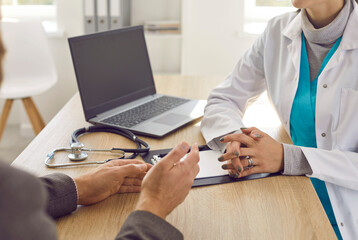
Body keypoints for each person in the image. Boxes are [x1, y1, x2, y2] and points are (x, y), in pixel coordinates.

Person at [0, 21, 200, 240]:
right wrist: (153, 206)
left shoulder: (15, 194)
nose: (5, 50)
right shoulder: (14, 198)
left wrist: (79, 187)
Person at [201, 0, 358, 239]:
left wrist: (288, 158)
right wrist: (234, 140)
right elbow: (223, 99)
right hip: (295, 198)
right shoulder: (277, 30)